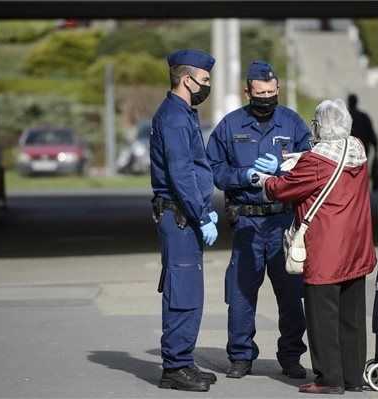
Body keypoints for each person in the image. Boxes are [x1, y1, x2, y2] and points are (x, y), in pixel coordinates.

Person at [252, 99, 377, 394]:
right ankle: (353, 377)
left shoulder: (316, 162)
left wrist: (264, 179)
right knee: (352, 317)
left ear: (320, 127)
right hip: (356, 249)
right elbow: (321, 159)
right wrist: (297, 159)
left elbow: (283, 189)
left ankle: (329, 379)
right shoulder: (355, 150)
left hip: (326, 253)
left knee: (322, 319)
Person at [206, 60, 311, 379]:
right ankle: (241, 356)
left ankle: (291, 356)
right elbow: (212, 170)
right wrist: (244, 176)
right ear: (247, 92)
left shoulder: (293, 124)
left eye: (270, 92)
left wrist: (289, 171)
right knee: (240, 295)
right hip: (247, 223)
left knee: (292, 296)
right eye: (259, 93)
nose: (266, 97)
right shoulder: (230, 125)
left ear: (278, 89)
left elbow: (311, 165)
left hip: (283, 222)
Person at [150, 49, 219, 392]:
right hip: (180, 216)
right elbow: (181, 174)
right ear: (186, 79)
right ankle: (174, 367)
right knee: (182, 292)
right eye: (204, 80)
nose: (208, 85)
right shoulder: (176, 118)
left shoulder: (183, 113)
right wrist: (203, 213)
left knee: (190, 291)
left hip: (184, 216)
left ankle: (184, 360)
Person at [347, 93, 378, 192]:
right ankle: (361, 191)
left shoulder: (345, 117)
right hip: (363, 149)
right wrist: (376, 148)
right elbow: (371, 133)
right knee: (362, 170)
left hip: (348, 150)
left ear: (349, 102)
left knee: (350, 171)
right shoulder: (363, 116)